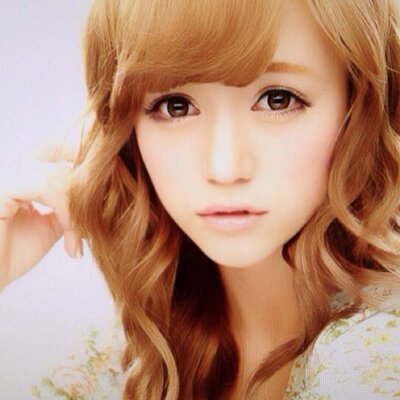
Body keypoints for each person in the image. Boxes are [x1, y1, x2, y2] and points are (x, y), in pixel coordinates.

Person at [1, 0, 400, 399]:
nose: (224, 168)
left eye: (277, 99)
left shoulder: (377, 356)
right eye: (176, 106)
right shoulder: (127, 353)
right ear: (127, 132)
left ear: (360, 107)